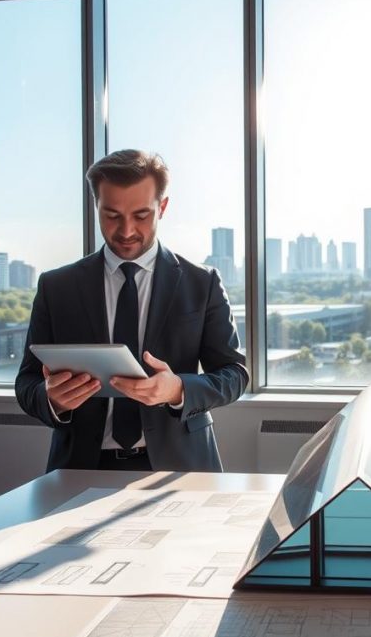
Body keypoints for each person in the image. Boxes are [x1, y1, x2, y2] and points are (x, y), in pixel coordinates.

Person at [15, 150, 248, 472]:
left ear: (162, 207)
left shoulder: (201, 282)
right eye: (111, 215)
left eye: (141, 215)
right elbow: (27, 383)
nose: (126, 231)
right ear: (96, 207)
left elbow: (234, 374)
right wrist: (52, 399)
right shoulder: (57, 287)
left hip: (180, 467)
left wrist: (178, 389)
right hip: (81, 465)